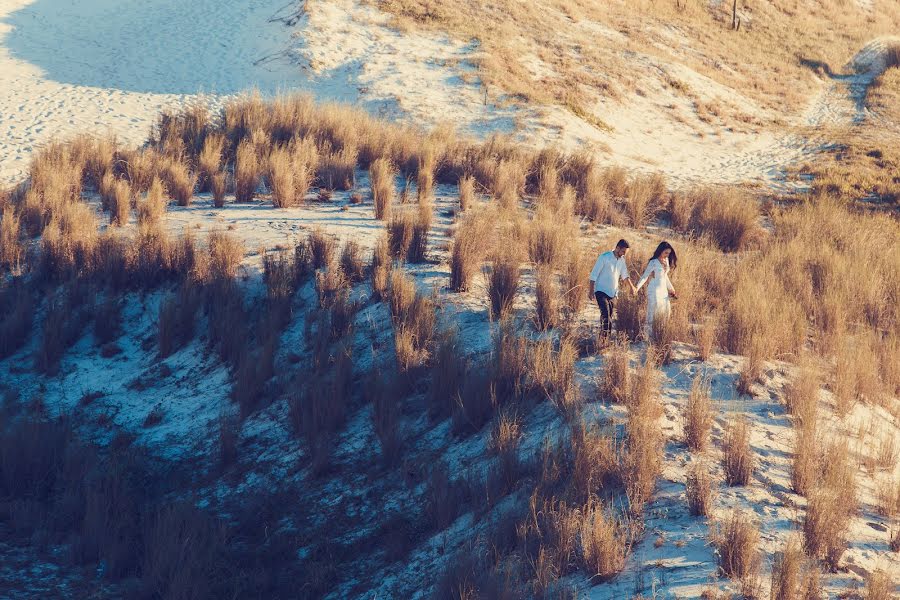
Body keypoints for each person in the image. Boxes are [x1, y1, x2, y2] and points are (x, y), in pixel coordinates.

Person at [589, 239, 636, 338]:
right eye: (623, 251)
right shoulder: (604, 257)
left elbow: (625, 275)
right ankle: (604, 341)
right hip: (600, 290)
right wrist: (591, 290)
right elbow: (594, 274)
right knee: (606, 315)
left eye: (625, 252)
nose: (624, 254)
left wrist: (632, 287)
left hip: (613, 293)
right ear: (617, 248)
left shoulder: (622, 260)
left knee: (608, 317)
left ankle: (603, 339)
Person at [635, 241, 678, 335]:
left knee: (666, 311)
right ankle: (647, 335)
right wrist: (636, 288)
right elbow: (645, 276)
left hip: (663, 290)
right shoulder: (653, 262)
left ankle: (658, 334)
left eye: (669, 253)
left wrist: (671, 288)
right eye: (666, 252)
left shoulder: (666, 261)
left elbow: (665, 276)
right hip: (653, 289)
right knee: (652, 312)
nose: (667, 255)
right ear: (660, 251)